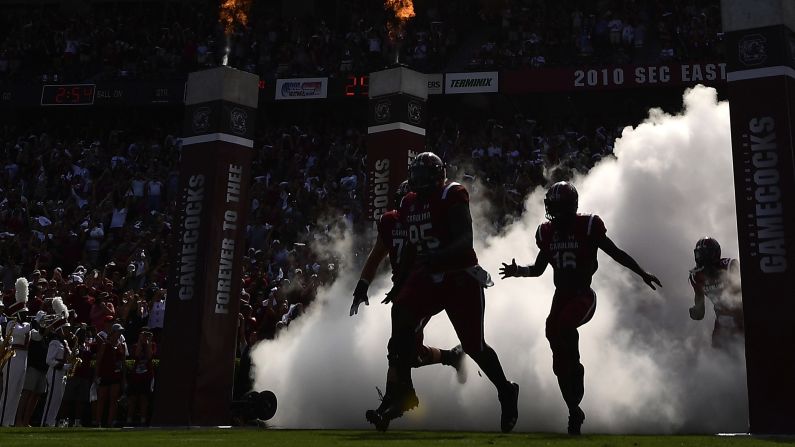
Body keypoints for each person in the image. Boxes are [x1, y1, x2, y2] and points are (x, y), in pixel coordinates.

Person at [367, 152, 519, 432]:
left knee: (474, 346)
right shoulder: (410, 203)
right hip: (428, 275)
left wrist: (437, 257)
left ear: (438, 176)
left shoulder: (452, 194)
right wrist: (400, 284)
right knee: (400, 317)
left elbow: (465, 240)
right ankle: (403, 393)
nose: (420, 181)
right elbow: (412, 248)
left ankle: (506, 390)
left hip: (459, 275)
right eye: (417, 176)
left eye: (426, 176)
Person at [500, 181, 661, 435]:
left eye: (557, 206)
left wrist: (641, 272)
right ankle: (574, 409)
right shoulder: (547, 232)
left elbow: (615, 253)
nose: (552, 212)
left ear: (570, 206)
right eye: (550, 207)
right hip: (561, 297)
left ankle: (576, 367)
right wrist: (518, 271)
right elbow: (539, 269)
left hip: (583, 295)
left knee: (564, 330)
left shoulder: (587, 226)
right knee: (556, 354)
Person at [351, 180, 466, 417]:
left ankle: (395, 401)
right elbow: (376, 257)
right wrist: (362, 286)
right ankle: (451, 356)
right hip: (404, 290)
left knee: (397, 347)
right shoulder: (391, 222)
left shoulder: (428, 220)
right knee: (409, 354)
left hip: (425, 288)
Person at [687, 237, 743, 349]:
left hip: (742, 318)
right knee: (719, 356)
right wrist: (696, 312)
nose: (701, 259)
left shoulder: (729, 266)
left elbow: (740, 294)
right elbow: (700, 311)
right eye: (699, 255)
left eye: (705, 254)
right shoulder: (696, 277)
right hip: (722, 322)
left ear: (714, 254)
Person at [2, 277, 35, 426]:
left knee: (17, 391)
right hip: (13, 356)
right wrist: (31, 324)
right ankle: (2, 419)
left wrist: (40, 325)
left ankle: (9, 421)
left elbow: (37, 335)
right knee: (9, 390)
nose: (26, 315)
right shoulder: (11, 323)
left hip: (24, 357)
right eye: (24, 313)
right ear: (17, 313)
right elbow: (20, 332)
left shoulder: (25, 324)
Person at [41, 298, 71, 427]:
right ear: (59, 329)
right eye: (65, 329)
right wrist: (64, 366)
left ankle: (51, 422)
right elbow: (49, 360)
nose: (68, 331)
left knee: (57, 400)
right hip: (54, 373)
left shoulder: (64, 343)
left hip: (62, 374)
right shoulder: (54, 342)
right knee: (51, 399)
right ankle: (45, 422)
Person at [94, 323, 126, 427]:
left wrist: (124, 378)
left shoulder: (121, 346)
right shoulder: (105, 345)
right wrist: (96, 376)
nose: (120, 334)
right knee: (102, 399)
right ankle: (98, 422)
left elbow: (123, 363)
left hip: (116, 376)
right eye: (118, 331)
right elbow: (98, 362)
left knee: (114, 399)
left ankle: (110, 422)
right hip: (105, 375)